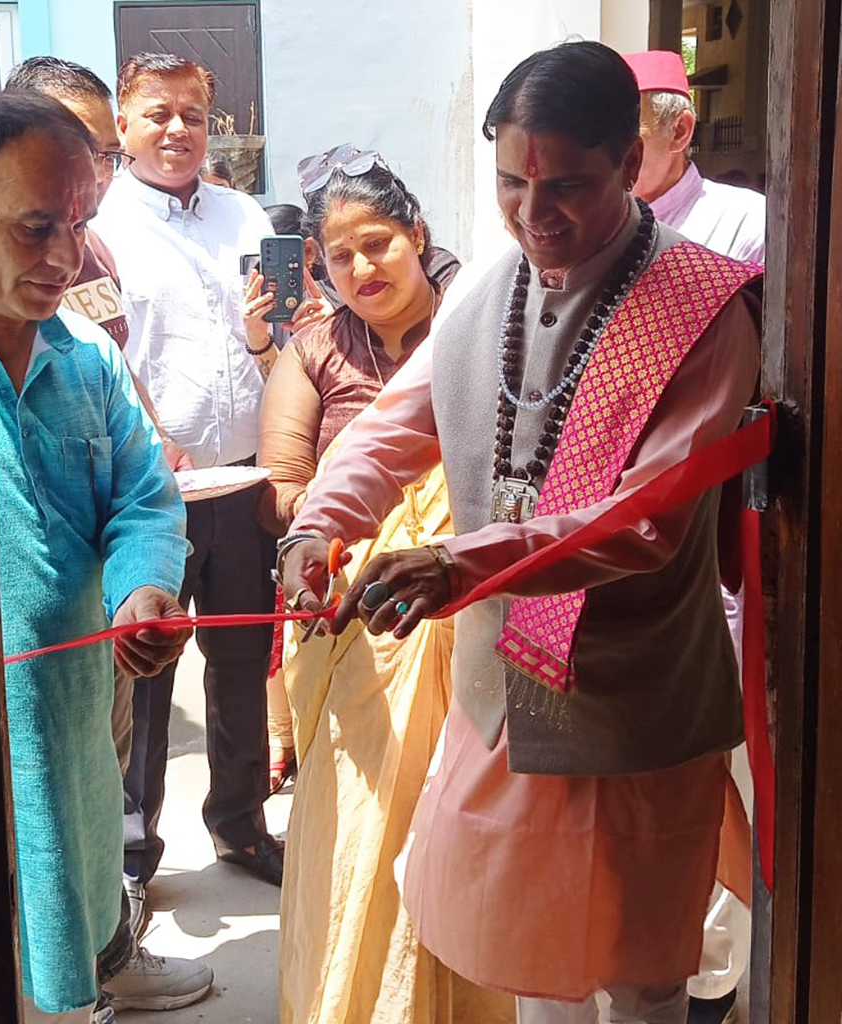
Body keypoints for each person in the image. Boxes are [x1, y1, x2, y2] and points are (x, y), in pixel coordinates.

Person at [280, 42, 762, 1024]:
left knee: (640, 976)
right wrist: (316, 531)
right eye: (511, 183)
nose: (533, 213)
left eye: (567, 186)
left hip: (634, 703)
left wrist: (458, 563)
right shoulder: (484, 291)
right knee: (528, 968)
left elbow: (645, 521)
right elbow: (391, 428)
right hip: (501, 698)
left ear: (631, 162)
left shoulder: (704, 309)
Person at [0, 90, 210, 1022]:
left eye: (78, 227)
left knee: (82, 848)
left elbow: (146, 497)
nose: (65, 258)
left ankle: (101, 970)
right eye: (36, 228)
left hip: (79, 697)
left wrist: (143, 588)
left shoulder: (87, 361)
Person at [257, 147, 505, 1024]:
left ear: (418, 236)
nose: (363, 267)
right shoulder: (315, 350)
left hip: (468, 605)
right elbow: (285, 481)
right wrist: (325, 534)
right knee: (365, 823)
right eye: (341, 255)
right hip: (355, 619)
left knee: (463, 817)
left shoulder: (482, 322)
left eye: (379, 244)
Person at [92, 53, 283, 899]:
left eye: (194, 116)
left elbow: (284, 332)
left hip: (243, 481)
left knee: (241, 660)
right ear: (124, 123)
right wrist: (152, 445)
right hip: (151, 494)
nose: (178, 130)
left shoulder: (245, 215)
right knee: (149, 671)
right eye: (158, 114)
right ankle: (134, 854)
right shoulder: (99, 226)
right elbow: (101, 353)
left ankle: (241, 824)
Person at [625, 48, 767, 1024]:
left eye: (624, 135)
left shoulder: (745, 224)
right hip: (619, 551)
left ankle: (714, 981)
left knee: (723, 778)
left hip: (715, 536)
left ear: (679, 130)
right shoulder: (595, 233)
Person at [625, 49, 765, 262]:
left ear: (679, 131)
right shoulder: (587, 222)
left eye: (625, 130)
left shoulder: (751, 222)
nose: (603, 150)